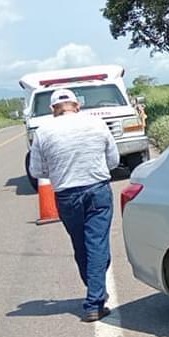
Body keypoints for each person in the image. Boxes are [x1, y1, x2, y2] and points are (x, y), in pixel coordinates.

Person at [28, 88, 120, 322]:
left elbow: (37, 171)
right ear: (77, 105)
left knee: (81, 246)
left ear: (53, 110)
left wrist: (59, 170)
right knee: (97, 245)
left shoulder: (43, 131)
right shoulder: (96, 123)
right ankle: (95, 300)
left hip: (67, 195)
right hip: (97, 189)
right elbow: (114, 160)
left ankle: (95, 295)